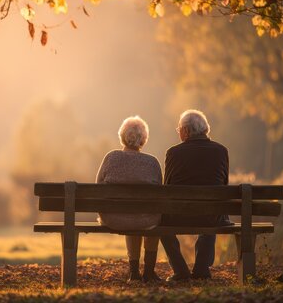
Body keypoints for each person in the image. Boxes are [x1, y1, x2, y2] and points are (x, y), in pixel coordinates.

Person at [161, 109, 232, 281]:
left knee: (160, 223)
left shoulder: (173, 153)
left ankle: (180, 271)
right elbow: (224, 185)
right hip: (212, 216)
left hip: (178, 216)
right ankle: (201, 269)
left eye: (179, 130)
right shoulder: (221, 151)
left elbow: (167, 187)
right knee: (213, 209)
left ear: (185, 131)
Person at [96, 116, 162, 283]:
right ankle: (148, 271)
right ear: (144, 139)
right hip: (146, 219)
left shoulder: (111, 157)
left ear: (122, 136)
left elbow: (97, 186)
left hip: (113, 217)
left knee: (129, 213)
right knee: (147, 215)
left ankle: (134, 272)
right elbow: (159, 196)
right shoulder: (152, 162)